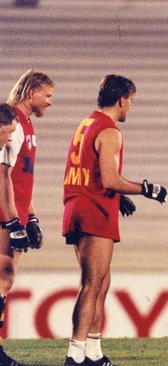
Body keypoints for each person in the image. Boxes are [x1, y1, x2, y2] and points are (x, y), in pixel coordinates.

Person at [61, 75, 168, 366]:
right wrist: (147, 189)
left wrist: (119, 197)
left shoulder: (86, 123)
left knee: (101, 281)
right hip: (94, 209)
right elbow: (110, 178)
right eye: (130, 100)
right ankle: (76, 353)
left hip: (79, 204)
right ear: (121, 99)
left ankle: (93, 351)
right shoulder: (110, 132)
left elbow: (92, 171)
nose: (130, 107)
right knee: (92, 283)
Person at [0, 70, 54, 366]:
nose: (50, 102)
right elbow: (3, 176)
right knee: (2, 277)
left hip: (15, 212)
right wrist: (12, 220)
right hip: (4, 214)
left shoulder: (26, 125)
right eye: (47, 95)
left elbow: (22, 179)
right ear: (31, 92)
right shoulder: (13, 124)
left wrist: (30, 216)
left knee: (4, 280)